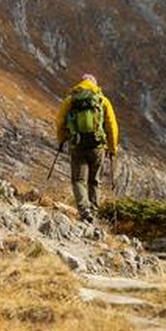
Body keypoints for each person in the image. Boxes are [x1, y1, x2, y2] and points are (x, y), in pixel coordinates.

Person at [54, 73, 119, 223]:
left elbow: (60, 122)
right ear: (95, 84)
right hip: (97, 146)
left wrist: (61, 140)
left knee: (78, 179)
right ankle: (93, 212)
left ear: (81, 83)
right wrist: (112, 148)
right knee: (95, 181)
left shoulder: (70, 100)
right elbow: (111, 126)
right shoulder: (102, 100)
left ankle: (84, 210)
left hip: (77, 145)